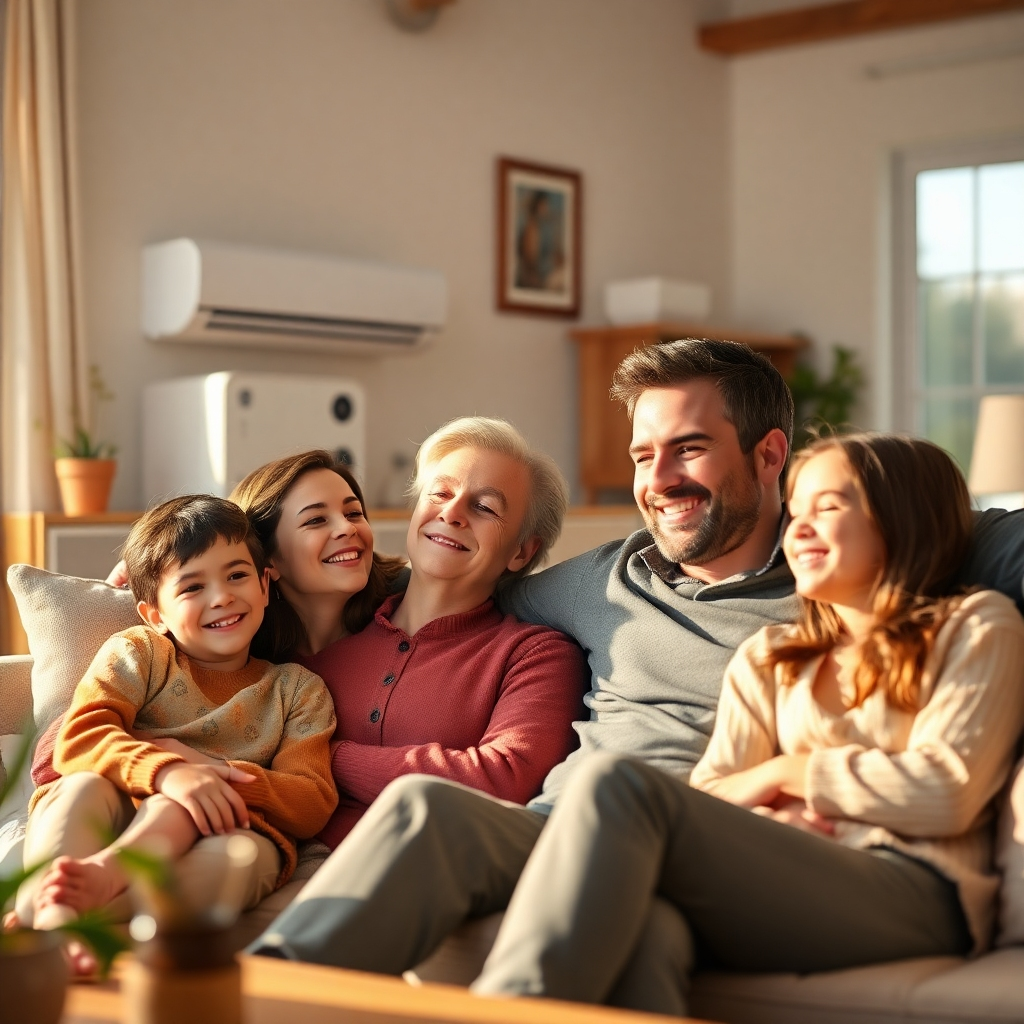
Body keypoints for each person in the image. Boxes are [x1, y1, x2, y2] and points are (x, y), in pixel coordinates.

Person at [248, 338, 1024, 1014]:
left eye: (689, 448)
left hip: (714, 843)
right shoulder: (613, 584)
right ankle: (244, 1001)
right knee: (427, 807)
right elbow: (452, 570)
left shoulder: (847, 591)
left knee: (616, 794)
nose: (659, 478)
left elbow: (936, 525)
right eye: (644, 455)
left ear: (769, 457)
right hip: (567, 832)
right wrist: (230, 597)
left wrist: (789, 781)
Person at [469, 433, 1024, 1012]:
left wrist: (788, 771)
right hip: (800, 876)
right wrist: (772, 822)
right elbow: (711, 793)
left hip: (919, 893)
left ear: (904, 519)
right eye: (798, 511)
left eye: (828, 508)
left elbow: (945, 792)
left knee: (616, 783)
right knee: (652, 930)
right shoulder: (772, 656)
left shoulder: (975, 626)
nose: (798, 529)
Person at [14, 496, 338, 971]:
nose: (221, 597)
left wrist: (210, 773)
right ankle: (61, 911)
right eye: (191, 587)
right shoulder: (141, 651)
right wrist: (167, 773)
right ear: (154, 614)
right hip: (119, 803)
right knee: (80, 786)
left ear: (266, 585)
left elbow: (311, 800)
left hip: (227, 830)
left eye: (237, 575)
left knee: (241, 855)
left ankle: (56, 921)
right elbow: (80, 740)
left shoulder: (298, 690)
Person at [234, 420, 586, 846]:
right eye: (440, 493)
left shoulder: (536, 655)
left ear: (521, 551)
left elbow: (503, 780)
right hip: (290, 864)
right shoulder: (319, 647)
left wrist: (325, 757)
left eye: (485, 507)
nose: (452, 514)